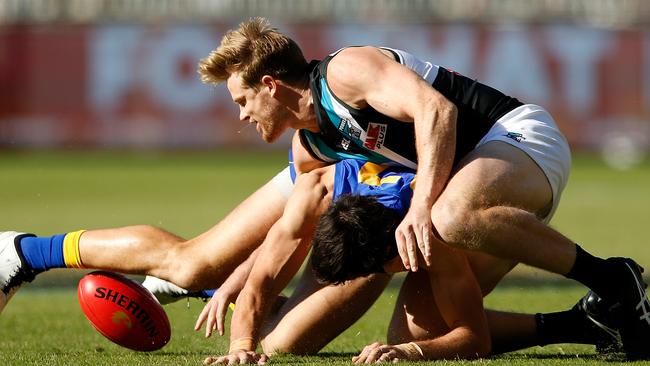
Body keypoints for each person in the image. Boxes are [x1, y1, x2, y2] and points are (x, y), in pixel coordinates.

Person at [196, 17, 649, 361]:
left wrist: (420, 209)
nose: (240, 116)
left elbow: (438, 111)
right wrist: (238, 316)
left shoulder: (345, 72)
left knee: (448, 216)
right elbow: (287, 237)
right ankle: (589, 323)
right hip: (465, 195)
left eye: (241, 100)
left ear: (271, 86)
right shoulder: (310, 147)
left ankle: (612, 278)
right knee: (414, 339)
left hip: (516, 138)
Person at [198, 153, 623, 364]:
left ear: (389, 255)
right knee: (277, 344)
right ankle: (585, 322)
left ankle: (582, 318)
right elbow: (261, 280)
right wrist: (240, 348)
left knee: (415, 332)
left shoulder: (431, 237)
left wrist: (414, 352)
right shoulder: (314, 192)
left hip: (501, 203)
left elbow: (473, 337)